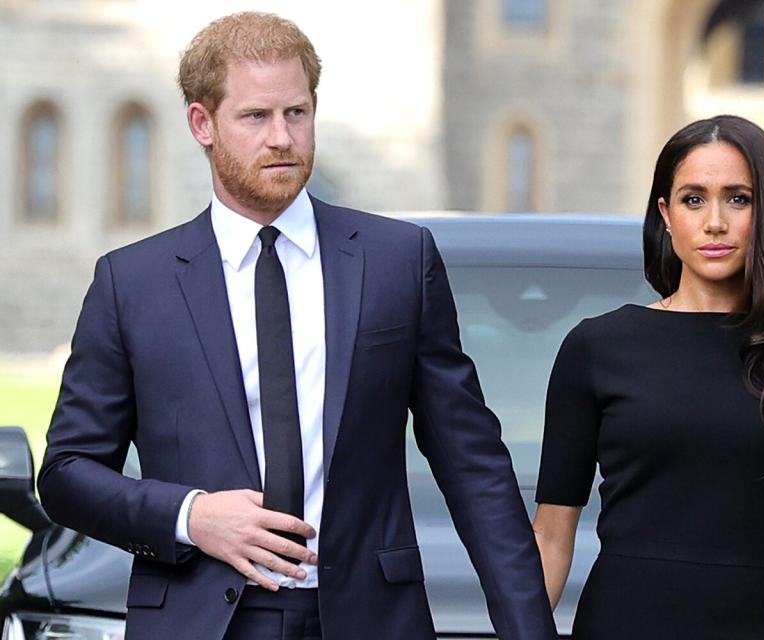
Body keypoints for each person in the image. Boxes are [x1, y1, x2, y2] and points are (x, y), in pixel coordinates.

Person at [38, 12, 556, 640]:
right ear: (203, 123)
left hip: (369, 618)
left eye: (297, 113)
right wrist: (191, 515)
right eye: (256, 117)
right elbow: (67, 472)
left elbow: (472, 463)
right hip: (201, 618)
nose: (282, 137)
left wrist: (529, 630)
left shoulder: (397, 260)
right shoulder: (132, 284)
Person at [532, 115, 764, 639]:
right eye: (694, 199)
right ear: (666, 213)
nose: (715, 223)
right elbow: (550, 536)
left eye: (739, 199)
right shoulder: (597, 348)